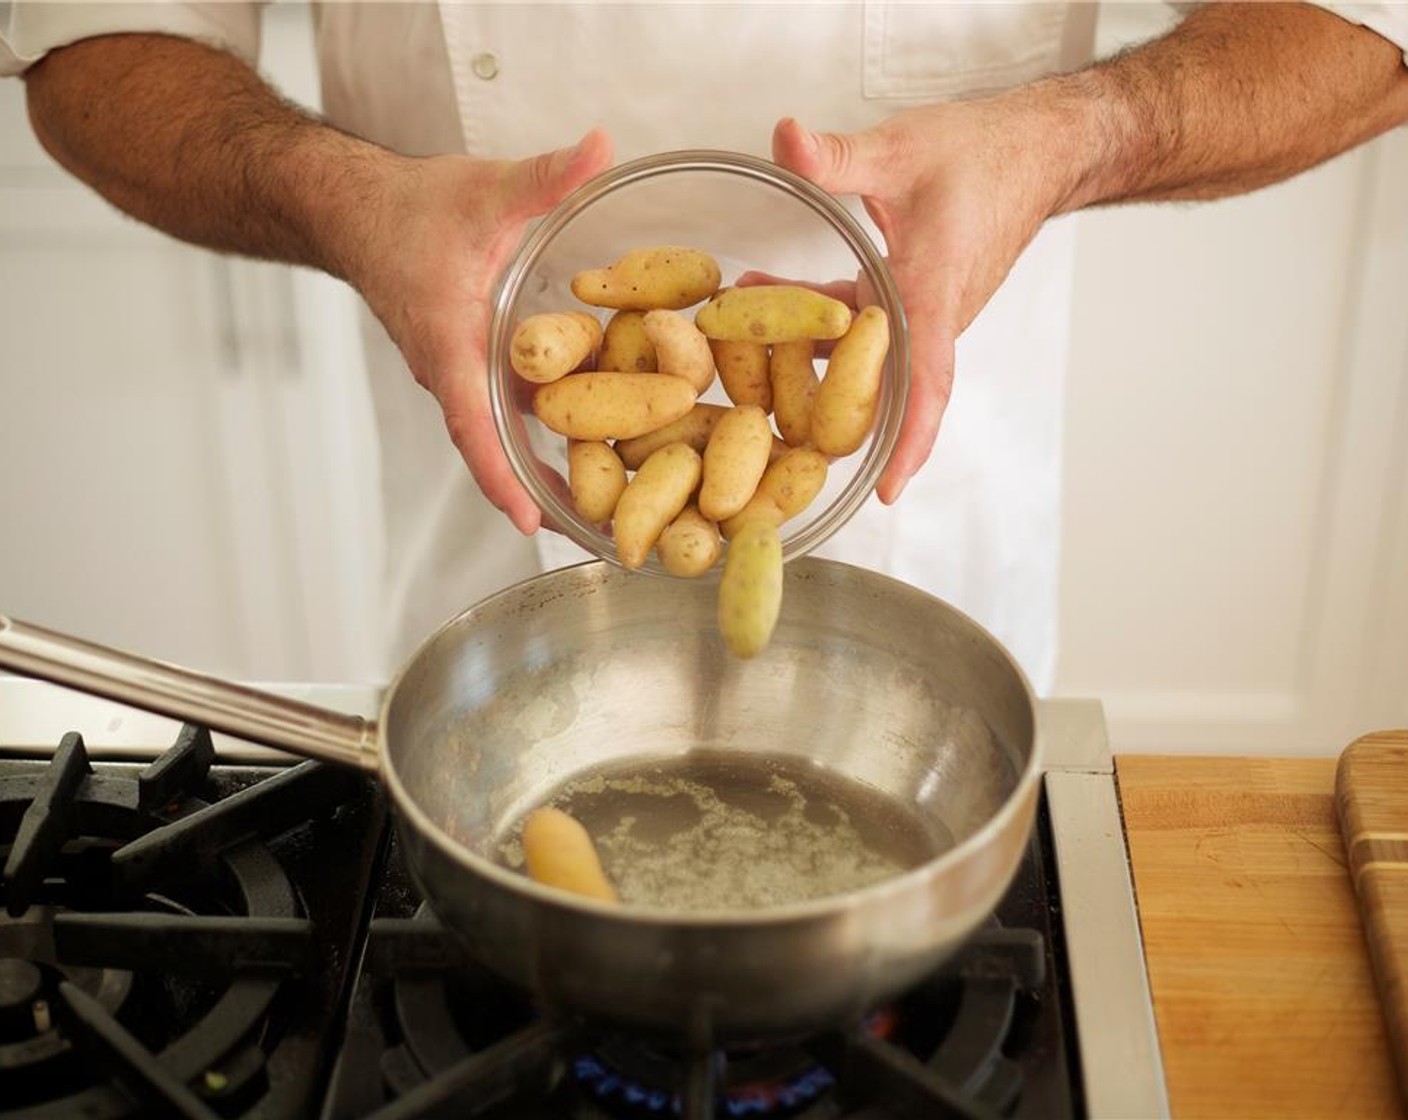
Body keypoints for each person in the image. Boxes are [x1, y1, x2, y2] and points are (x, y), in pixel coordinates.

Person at [3, 2, 1406, 689]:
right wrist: (340, 194)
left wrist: (1075, 136)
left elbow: (1368, 27)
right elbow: (90, 36)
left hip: (929, 513)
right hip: (491, 492)